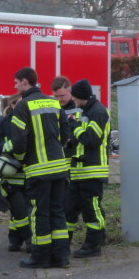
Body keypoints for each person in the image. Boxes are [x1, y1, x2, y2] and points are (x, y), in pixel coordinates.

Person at [4, 67, 71, 269]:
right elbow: (66, 132)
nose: (15, 86)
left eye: (16, 82)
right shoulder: (53, 102)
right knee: (57, 211)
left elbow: (17, 142)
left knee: (39, 214)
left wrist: (15, 156)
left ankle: (39, 256)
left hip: (38, 170)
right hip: (59, 168)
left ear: (25, 82)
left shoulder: (22, 106)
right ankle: (61, 257)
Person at [67, 79, 111, 258]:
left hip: (93, 171)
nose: (73, 100)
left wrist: (74, 127)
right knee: (70, 210)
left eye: (74, 96)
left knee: (92, 210)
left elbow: (91, 139)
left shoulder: (98, 112)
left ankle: (94, 244)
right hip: (79, 171)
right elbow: (81, 139)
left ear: (80, 96)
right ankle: (63, 244)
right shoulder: (86, 111)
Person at [0, 94, 31, 252]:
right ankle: (29, 239)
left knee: (22, 209)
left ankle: (14, 240)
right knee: (19, 209)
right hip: (10, 175)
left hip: (27, 172)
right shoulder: (4, 122)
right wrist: (11, 147)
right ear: (13, 106)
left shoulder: (30, 121)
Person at [51, 75, 82, 243]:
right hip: (59, 163)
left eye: (62, 95)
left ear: (70, 90)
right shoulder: (53, 108)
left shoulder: (80, 109)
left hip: (77, 162)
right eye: (56, 96)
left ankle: (65, 239)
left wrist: (73, 139)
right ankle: (62, 239)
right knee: (62, 204)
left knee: (72, 205)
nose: (59, 99)